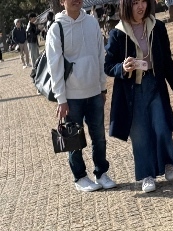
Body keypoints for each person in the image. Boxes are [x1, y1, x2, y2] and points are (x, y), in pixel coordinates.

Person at [105, 0, 173, 193]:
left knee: (162, 126)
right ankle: (147, 175)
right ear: (126, 6)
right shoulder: (117, 33)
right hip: (131, 91)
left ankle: (167, 161)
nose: (140, 6)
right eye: (134, 3)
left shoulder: (157, 27)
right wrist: (122, 68)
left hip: (154, 84)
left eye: (143, 1)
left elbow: (166, 59)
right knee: (140, 136)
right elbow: (107, 65)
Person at [47, 0, 118, 192]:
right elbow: (55, 66)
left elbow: (100, 55)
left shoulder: (92, 22)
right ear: (62, 1)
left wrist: (102, 87)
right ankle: (80, 177)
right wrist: (61, 98)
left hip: (94, 91)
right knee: (74, 140)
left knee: (99, 137)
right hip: (71, 95)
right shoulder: (56, 28)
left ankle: (101, 172)